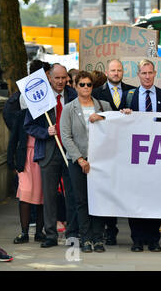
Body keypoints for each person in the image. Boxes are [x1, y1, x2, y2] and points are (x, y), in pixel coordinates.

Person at [24, 63, 79, 248]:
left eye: (64, 78)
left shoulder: (73, 95)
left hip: (71, 152)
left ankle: (73, 233)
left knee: (72, 194)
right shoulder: (39, 96)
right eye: (57, 78)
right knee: (49, 196)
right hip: (48, 152)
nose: (61, 81)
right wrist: (45, 132)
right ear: (49, 77)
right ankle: (50, 235)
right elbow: (28, 125)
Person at [60, 71, 113, 253]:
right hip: (78, 161)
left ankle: (98, 238)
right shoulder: (69, 108)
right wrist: (80, 159)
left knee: (98, 199)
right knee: (81, 200)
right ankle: (86, 238)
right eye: (81, 84)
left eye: (89, 84)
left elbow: (115, 126)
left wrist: (103, 118)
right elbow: (65, 136)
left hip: (100, 161)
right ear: (75, 86)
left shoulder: (103, 105)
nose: (85, 88)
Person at [125, 59, 161, 252]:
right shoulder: (129, 96)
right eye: (143, 73)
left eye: (150, 73)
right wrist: (124, 115)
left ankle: (154, 239)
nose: (147, 76)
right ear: (138, 75)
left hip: (158, 155)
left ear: (155, 73)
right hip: (135, 156)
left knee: (155, 196)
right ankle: (137, 239)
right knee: (135, 197)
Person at [92, 59, 135, 246]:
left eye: (119, 70)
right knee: (107, 190)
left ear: (123, 72)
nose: (116, 73)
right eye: (113, 70)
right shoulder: (95, 93)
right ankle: (110, 230)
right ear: (107, 72)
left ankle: (136, 233)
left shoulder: (132, 91)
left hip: (128, 149)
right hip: (106, 149)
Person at [7, 96, 45, 244]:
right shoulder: (21, 115)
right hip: (25, 159)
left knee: (42, 195)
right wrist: (11, 161)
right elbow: (13, 139)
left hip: (42, 156)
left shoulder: (46, 115)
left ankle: (39, 232)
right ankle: (24, 232)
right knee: (25, 194)